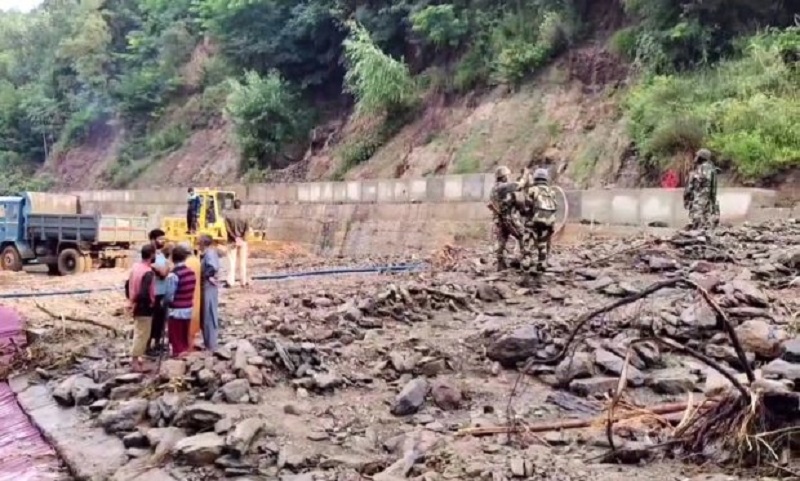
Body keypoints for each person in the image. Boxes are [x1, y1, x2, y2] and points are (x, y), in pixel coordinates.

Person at [519, 168, 558, 274]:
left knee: (527, 244)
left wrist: (523, 215)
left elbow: (527, 207)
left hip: (533, 223)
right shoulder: (552, 191)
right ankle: (542, 265)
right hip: (548, 223)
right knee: (542, 244)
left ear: (536, 178)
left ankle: (526, 267)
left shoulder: (532, 190)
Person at [126, 244, 156, 372]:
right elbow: (144, 292)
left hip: (135, 303)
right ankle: (134, 361)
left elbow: (127, 285)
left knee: (139, 331)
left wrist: (130, 300)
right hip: (143, 306)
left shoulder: (135, 267)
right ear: (151, 255)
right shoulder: (148, 272)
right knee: (142, 333)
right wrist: (150, 303)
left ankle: (136, 357)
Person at [163, 245, 197, 357]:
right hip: (188, 306)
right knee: (183, 332)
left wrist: (164, 302)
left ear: (173, 258)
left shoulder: (174, 275)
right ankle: (185, 351)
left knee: (175, 334)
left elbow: (169, 294)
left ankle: (178, 354)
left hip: (176, 309)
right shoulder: (191, 272)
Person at [488, 165, 524, 271]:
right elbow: (517, 186)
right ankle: (523, 260)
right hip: (508, 218)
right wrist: (524, 179)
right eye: (507, 175)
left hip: (499, 220)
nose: (508, 177)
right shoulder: (502, 187)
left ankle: (501, 264)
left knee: (501, 241)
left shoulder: (493, 189)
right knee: (522, 235)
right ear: (503, 177)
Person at [683, 148, 720, 230]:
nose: (695, 158)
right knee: (707, 223)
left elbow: (690, 187)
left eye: (697, 156)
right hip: (709, 202)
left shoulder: (701, 169)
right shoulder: (712, 169)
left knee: (696, 222)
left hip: (699, 201)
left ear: (701, 157)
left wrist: (686, 198)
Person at [148, 229, 170, 356]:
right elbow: (162, 273)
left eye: (164, 239)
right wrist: (166, 268)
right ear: (153, 239)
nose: (163, 241)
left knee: (160, 320)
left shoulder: (161, 255)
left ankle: (157, 343)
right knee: (152, 320)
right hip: (153, 293)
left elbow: (165, 270)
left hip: (162, 292)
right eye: (160, 239)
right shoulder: (149, 255)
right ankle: (148, 345)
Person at [198, 234, 221, 351]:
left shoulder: (210, 253)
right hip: (205, 286)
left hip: (209, 286)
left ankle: (211, 343)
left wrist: (208, 276)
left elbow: (212, 267)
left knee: (209, 313)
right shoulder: (206, 253)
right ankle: (207, 341)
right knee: (204, 314)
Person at [180, 242, 203, 351]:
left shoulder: (186, 263)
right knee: (195, 319)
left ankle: (188, 346)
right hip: (197, 293)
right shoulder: (196, 261)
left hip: (187, 295)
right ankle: (191, 343)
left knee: (187, 321)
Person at [223, 199, 250, 287]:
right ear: (240, 205)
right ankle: (243, 281)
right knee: (242, 262)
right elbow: (247, 229)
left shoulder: (228, 215)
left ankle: (230, 282)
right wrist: (242, 238)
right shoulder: (245, 215)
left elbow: (228, 229)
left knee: (231, 262)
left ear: (233, 205)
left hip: (231, 241)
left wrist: (235, 238)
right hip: (242, 241)